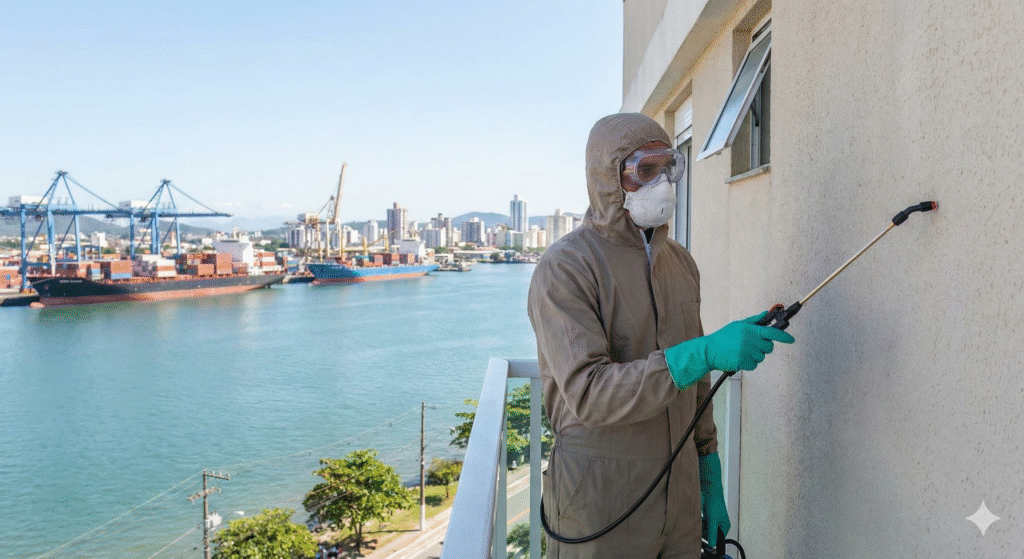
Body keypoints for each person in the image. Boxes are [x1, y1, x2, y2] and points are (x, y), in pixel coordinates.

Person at [527, 113, 794, 558]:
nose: (663, 184)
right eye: (644, 171)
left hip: (681, 499)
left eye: (667, 168)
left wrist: (708, 471)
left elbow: (698, 381)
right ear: (609, 179)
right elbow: (588, 393)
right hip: (601, 503)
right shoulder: (565, 269)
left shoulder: (681, 265)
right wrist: (701, 353)